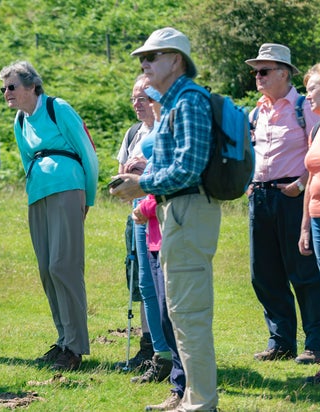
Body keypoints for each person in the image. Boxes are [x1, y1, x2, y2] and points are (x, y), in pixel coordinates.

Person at [111, 27, 220, 411]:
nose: (144, 62)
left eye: (153, 56)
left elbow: (188, 168)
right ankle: (191, 396)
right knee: (179, 310)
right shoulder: (177, 102)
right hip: (178, 209)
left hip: (189, 208)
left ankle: (201, 403)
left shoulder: (189, 101)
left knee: (189, 312)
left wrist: (142, 184)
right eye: (143, 56)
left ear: (176, 60)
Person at [0, 60, 99, 371]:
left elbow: (88, 152)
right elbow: (26, 158)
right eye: (3, 89)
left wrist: (89, 199)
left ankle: (76, 347)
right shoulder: (20, 121)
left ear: (31, 86)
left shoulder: (58, 108)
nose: (6, 93)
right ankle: (63, 340)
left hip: (68, 188)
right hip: (37, 194)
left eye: (12, 87)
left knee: (63, 266)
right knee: (46, 268)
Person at [245, 43, 320, 365]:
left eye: (264, 71)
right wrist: (248, 186)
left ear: (283, 73)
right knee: (263, 273)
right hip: (260, 197)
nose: (258, 77)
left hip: (292, 197)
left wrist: (301, 185)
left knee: (304, 271)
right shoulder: (256, 112)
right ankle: (280, 341)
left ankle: (317, 343)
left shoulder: (303, 107)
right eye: (256, 72)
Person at [115, 75, 172, 384]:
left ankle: (174, 357)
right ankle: (159, 355)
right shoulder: (135, 133)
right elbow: (124, 172)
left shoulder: (170, 129)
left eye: (144, 97)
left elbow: (171, 171)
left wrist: (143, 171)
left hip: (161, 213)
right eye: (134, 98)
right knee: (146, 286)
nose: (138, 103)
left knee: (166, 288)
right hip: (139, 212)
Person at [132, 92, 186, 410]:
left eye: (151, 97)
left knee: (176, 315)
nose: (146, 103)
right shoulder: (163, 124)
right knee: (166, 316)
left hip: (170, 230)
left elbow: (174, 175)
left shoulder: (176, 125)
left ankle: (184, 389)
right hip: (155, 233)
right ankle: (179, 388)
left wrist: (144, 199)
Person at [299, 62, 320, 384]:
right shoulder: (316, 129)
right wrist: (305, 225)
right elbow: (312, 178)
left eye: (313, 88)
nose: (307, 94)